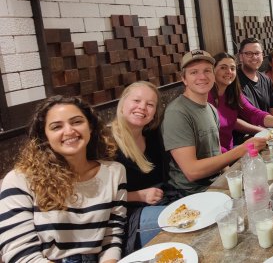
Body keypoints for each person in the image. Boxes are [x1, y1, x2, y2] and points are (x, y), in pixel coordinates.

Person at [0, 96, 126, 262]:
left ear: (91, 127)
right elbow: (20, 253)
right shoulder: (19, 180)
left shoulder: (114, 172)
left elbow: (112, 234)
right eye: (56, 126)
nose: (69, 131)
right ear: (44, 136)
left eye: (76, 122)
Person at [162, 50, 267, 196]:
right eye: (194, 72)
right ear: (184, 79)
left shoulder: (210, 108)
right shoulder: (177, 112)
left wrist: (231, 177)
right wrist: (242, 150)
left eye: (207, 71)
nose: (202, 77)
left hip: (216, 183)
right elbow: (192, 171)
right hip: (190, 193)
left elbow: (216, 152)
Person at [111, 81, 173, 253]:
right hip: (124, 217)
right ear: (123, 103)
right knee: (176, 220)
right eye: (136, 101)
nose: (142, 108)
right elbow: (96, 196)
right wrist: (139, 195)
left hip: (157, 202)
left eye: (150, 104)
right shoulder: (105, 143)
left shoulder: (151, 135)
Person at [209, 52, 273, 152]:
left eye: (232, 68)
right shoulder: (207, 97)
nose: (229, 71)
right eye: (223, 68)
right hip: (218, 156)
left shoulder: (233, 93)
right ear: (212, 71)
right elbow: (210, 142)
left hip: (231, 150)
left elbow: (254, 113)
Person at [237, 37, 273, 119]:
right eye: (249, 53)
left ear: (262, 56)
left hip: (268, 129)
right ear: (241, 57)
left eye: (257, 53)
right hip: (249, 131)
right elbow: (234, 120)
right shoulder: (234, 81)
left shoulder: (267, 80)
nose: (254, 57)